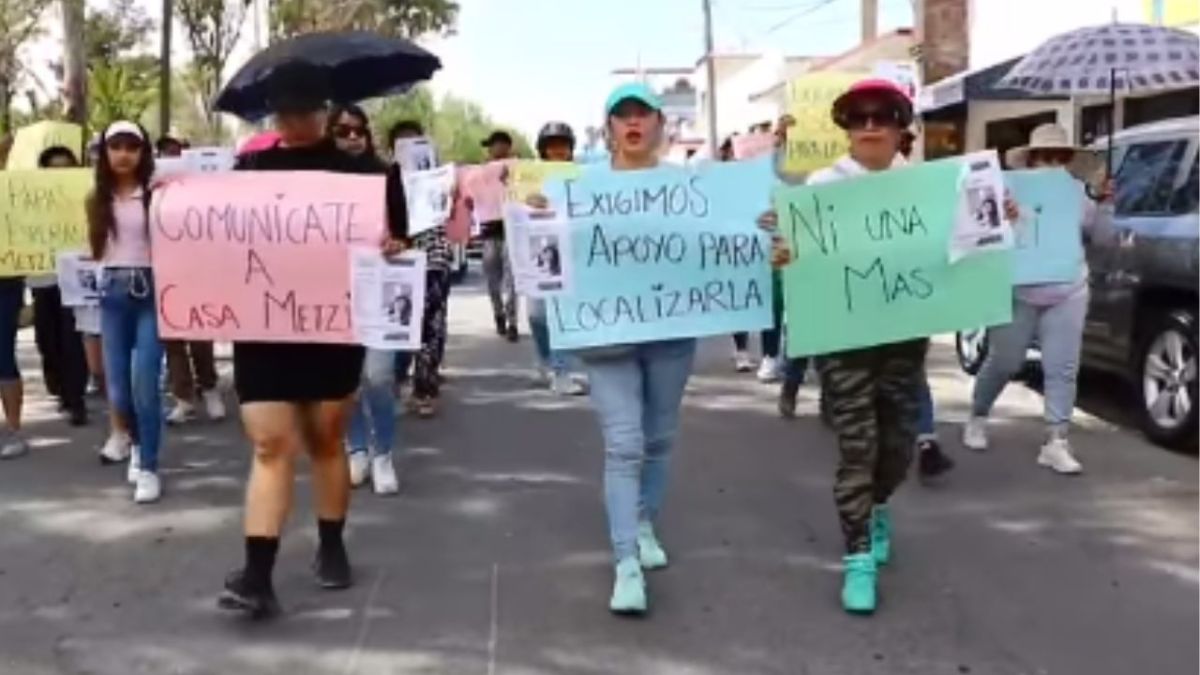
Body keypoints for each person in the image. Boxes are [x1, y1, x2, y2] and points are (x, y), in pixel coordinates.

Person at [545, 83, 786, 615]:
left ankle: (644, 519)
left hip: (672, 333)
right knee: (624, 444)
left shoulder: (692, 187)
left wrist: (762, 235)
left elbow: (734, 239)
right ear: (608, 128)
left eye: (642, 115)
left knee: (658, 438)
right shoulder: (578, 187)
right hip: (607, 337)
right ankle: (626, 562)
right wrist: (534, 218)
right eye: (621, 115)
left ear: (659, 125)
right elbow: (545, 249)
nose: (632, 123)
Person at [217, 63, 406, 619]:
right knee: (271, 444)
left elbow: (399, 234)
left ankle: (331, 544)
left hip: (333, 326)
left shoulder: (368, 173)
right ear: (273, 113)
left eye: (307, 110)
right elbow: (214, 232)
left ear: (326, 110)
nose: (297, 121)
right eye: (286, 111)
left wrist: (394, 242)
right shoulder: (248, 168)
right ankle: (256, 574)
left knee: (326, 440)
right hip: (266, 326)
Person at [785, 79, 927, 614]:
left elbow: (964, 248)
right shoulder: (820, 187)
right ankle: (858, 557)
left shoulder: (927, 187)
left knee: (897, 447)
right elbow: (800, 257)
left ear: (899, 126)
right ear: (846, 126)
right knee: (857, 448)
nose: (871, 126)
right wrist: (784, 252)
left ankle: (880, 503)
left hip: (904, 336)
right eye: (859, 117)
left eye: (883, 116)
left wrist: (995, 219)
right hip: (844, 339)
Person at [963, 122, 1107, 475]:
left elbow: (1103, 237)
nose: (1052, 163)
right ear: (1031, 159)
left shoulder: (1079, 192)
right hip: (1017, 289)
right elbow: (976, 233)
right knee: (1005, 361)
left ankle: (1056, 440)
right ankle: (977, 416)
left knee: (1062, 368)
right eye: (1045, 156)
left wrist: (1105, 203)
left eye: (1060, 157)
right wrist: (1002, 218)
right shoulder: (1005, 190)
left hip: (1068, 289)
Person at [326, 104, 404, 494]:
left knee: (378, 376)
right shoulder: (315, 179)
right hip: (328, 291)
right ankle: (355, 447)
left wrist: (398, 241)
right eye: (343, 131)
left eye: (359, 131)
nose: (353, 137)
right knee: (343, 381)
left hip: (379, 284)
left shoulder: (388, 175)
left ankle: (383, 453)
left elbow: (408, 230)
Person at [87, 120, 164, 504]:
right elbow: (96, 250)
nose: (123, 154)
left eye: (131, 146)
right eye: (115, 146)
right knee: (117, 388)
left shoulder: (157, 194)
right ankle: (134, 443)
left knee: (145, 382)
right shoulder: (96, 198)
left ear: (143, 152)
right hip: (112, 292)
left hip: (152, 291)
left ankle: (149, 464)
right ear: (105, 152)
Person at [388, 119, 454, 419]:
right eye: (402, 143)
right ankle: (397, 378)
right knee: (400, 323)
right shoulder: (383, 178)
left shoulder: (440, 177)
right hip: (396, 262)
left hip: (434, 259)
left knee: (432, 324)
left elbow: (455, 210)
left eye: (415, 141)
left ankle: (425, 386)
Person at [29, 146, 90, 428]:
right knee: (47, 339)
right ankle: (59, 388)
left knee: (72, 340)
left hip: (74, 278)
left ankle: (76, 400)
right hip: (42, 278)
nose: (60, 174)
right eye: (53, 169)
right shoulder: (31, 201)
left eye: (66, 167)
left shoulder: (86, 197)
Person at [527, 121, 585, 396]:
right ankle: (546, 360)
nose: (558, 150)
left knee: (560, 315)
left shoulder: (583, 175)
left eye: (563, 145)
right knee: (536, 314)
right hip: (538, 251)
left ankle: (562, 371)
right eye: (552, 146)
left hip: (571, 254)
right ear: (543, 150)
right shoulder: (530, 177)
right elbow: (515, 206)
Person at [478, 129, 519, 341]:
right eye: (490, 147)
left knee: (512, 280)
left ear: (504, 146)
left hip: (511, 231)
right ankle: (498, 313)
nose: (491, 150)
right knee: (492, 280)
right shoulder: (481, 173)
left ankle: (512, 322)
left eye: (494, 145)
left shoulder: (518, 170)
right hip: (489, 233)